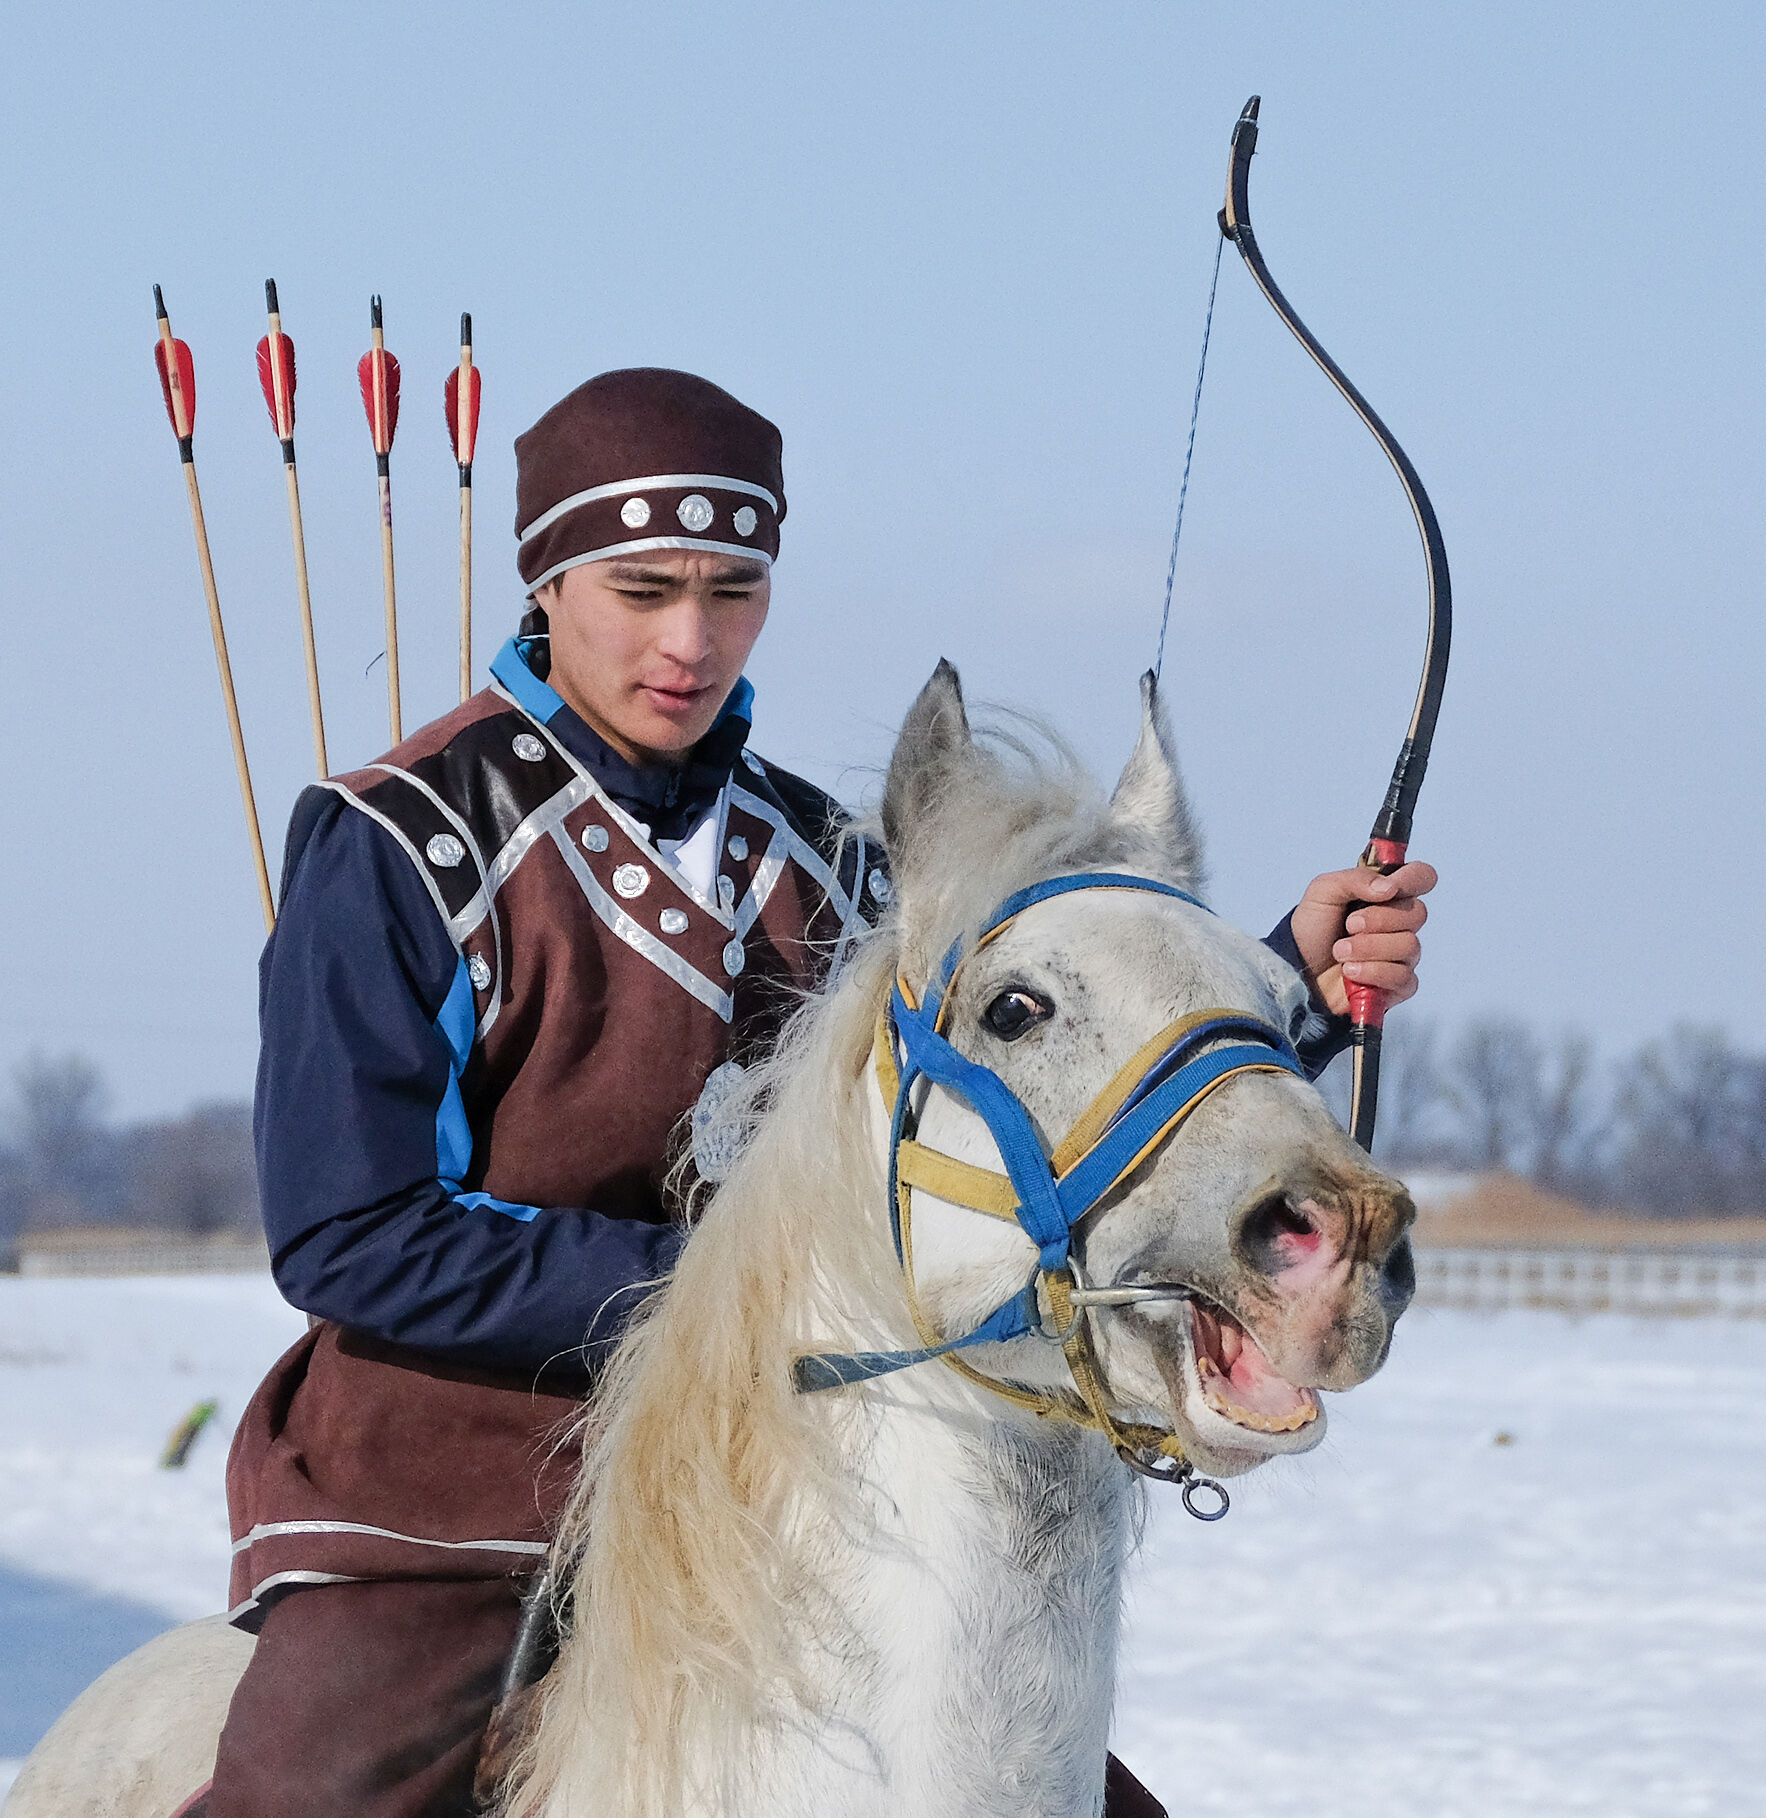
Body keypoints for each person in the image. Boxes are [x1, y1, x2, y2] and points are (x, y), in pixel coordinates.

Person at [206, 368, 1437, 1818]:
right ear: (546, 580)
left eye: (734, 589)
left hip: (786, 1475)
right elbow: (354, 1233)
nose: (692, 638)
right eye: (644, 585)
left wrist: (1288, 980)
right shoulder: (399, 842)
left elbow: (1014, 1074)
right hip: (462, 1489)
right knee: (312, 1793)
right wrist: (726, 1282)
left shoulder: (831, 857)